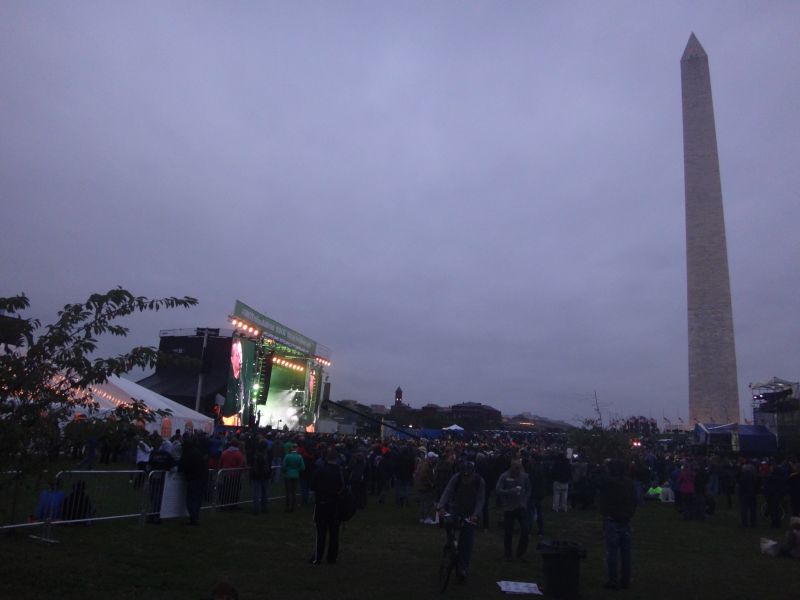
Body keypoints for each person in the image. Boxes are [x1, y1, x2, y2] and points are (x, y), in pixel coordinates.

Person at [436, 460, 486, 581]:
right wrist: (441, 506)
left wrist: (475, 515)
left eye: (468, 476)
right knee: (448, 522)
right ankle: (450, 542)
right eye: (464, 476)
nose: (466, 479)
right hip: (456, 508)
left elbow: (480, 500)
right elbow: (447, 491)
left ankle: (463, 567)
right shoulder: (456, 478)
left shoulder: (480, 482)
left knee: (467, 542)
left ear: (473, 474)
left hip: (470, 513)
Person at [596, 459, 637, 591]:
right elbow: (634, 500)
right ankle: (625, 580)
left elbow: (599, 486)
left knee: (612, 552)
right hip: (625, 519)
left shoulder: (609, 483)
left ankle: (613, 580)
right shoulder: (629, 483)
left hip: (612, 519)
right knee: (626, 553)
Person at [310, 447, 344, 565]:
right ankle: (332, 558)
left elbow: (313, 485)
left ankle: (318, 557)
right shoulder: (340, 471)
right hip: (334, 505)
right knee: (334, 533)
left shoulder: (320, 470)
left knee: (321, 533)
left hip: (322, 504)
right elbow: (342, 487)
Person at [496, 459, 531, 561]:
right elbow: (498, 490)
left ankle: (520, 553)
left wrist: (525, 500)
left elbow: (529, 489)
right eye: (516, 468)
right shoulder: (504, 476)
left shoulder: (524, 476)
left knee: (525, 529)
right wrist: (510, 492)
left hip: (521, 507)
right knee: (508, 532)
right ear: (511, 467)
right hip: (509, 508)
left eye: (519, 468)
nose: (518, 470)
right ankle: (508, 554)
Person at [179, 436, 208, 525]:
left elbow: (182, 466)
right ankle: (196, 517)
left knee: (191, 499)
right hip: (201, 478)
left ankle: (193, 518)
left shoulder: (187, 454)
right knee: (197, 499)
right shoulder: (198, 452)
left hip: (193, 479)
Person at [250, 438, 272, 515]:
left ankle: (256, 509)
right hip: (265, 475)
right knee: (265, 493)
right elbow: (269, 464)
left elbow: (253, 464)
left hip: (257, 476)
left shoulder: (256, 453)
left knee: (257, 493)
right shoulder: (268, 453)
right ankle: (264, 508)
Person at [282, 443, 305, 512]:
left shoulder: (287, 456)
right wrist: (297, 470)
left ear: (292, 448)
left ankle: (287, 507)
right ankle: (292, 508)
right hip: (296, 475)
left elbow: (283, 467)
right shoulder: (299, 457)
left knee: (288, 492)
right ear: (297, 448)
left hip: (288, 475)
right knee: (294, 492)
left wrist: (285, 471)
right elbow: (303, 468)